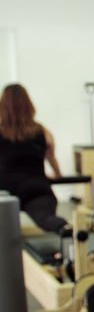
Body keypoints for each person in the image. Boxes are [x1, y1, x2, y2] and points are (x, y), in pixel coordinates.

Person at [0, 83, 67, 234]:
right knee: (46, 219)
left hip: (5, 191)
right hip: (36, 189)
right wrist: (57, 175)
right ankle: (67, 231)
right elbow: (52, 160)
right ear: (28, 105)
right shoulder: (43, 132)